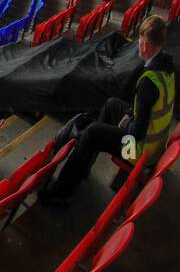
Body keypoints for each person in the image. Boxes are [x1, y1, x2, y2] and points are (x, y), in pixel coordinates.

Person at [40, 14, 175, 205]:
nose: (138, 44)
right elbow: (146, 110)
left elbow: (137, 131)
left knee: (93, 132)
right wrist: (129, 115)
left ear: (145, 44)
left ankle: (62, 191)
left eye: (140, 40)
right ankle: (84, 164)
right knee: (112, 104)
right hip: (155, 146)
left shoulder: (147, 83)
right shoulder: (166, 67)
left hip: (137, 152)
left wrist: (127, 121)